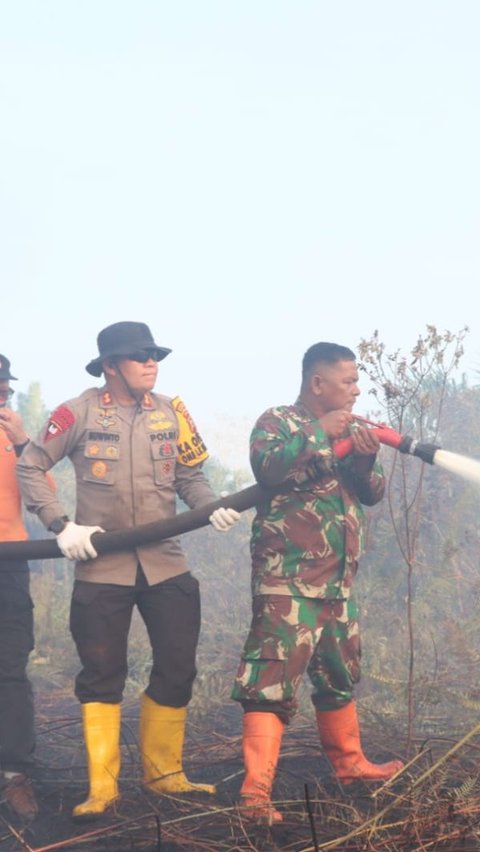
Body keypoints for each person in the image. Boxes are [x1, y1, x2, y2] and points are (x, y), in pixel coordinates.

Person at [17, 321, 240, 821]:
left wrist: (212, 508)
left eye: (155, 354)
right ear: (111, 365)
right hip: (101, 567)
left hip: (166, 562)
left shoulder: (172, 412)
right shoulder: (76, 412)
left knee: (178, 664)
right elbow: (31, 465)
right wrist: (60, 524)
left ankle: (165, 776)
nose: (151, 363)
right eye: (140, 355)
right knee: (101, 674)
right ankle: (103, 787)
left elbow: (189, 475)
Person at [231, 341, 404, 824]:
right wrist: (317, 432)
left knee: (339, 676)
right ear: (317, 383)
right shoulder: (279, 422)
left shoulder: (354, 427)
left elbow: (370, 494)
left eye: (356, 380)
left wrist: (365, 459)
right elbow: (266, 469)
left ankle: (352, 769)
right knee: (269, 683)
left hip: (336, 584)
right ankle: (255, 796)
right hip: (288, 582)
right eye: (348, 381)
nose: (356, 389)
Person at [0, 354, 39, 821]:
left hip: (10, 559)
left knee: (10, 666)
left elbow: (40, 491)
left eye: (5, 387)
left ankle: (14, 774)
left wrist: (25, 443)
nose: (3, 394)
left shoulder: (16, 439)